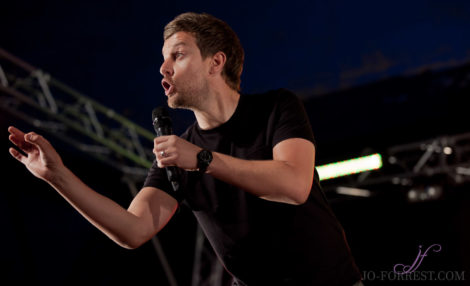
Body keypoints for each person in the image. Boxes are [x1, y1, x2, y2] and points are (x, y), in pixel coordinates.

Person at [8, 12, 362, 286]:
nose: (163, 68)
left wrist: (203, 160)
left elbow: (294, 186)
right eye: (163, 59)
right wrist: (57, 176)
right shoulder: (179, 152)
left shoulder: (276, 108)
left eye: (177, 55)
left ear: (216, 62)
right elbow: (133, 230)